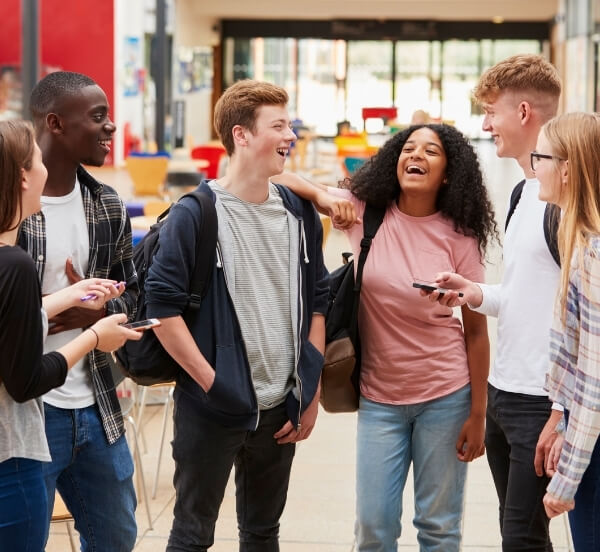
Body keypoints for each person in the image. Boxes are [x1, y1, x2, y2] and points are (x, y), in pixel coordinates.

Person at [275, 122, 497, 551]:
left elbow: (476, 332)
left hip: (446, 396)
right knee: (374, 529)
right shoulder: (365, 212)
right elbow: (275, 175)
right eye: (408, 148)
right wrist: (324, 197)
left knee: (438, 527)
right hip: (379, 399)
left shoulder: (461, 236)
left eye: (431, 151)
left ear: (448, 173)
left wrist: (478, 412)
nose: (416, 156)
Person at [144, 79, 328, 551]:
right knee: (191, 535)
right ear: (241, 135)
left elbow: (319, 299)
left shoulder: (298, 212)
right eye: (279, 125)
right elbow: (161, 309)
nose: (291, 135)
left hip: (280, 409)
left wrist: (310, 388)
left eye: (291, 124)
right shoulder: (195, 213)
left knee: (263, 533)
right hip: (212, 409)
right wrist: (212, 385)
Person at [427, 54, 563, 551]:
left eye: (491, 111)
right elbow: (529, 296)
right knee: (520, 538)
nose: (485, 124)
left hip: (542, 398)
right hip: (505, 391)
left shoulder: (565, 202)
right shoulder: (526, 191)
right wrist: (475, 293)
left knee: (523, 540)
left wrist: (563, 411)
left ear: (524, 112)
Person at [0, 120, 141, 552]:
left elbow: (8, 321)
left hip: (91, 408)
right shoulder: (16, 263)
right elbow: (24, 381)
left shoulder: (105, 202)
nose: (110, 125)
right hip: (15, 448)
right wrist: (95, 336)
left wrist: (67, 297)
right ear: (24, 175)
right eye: (37, 159)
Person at [531, 112, 600, 551]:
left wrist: (566, 480)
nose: (534, 165)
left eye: (542, 156)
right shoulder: (579, 239)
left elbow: (595, 383)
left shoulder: (593, 255)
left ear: (568, 168)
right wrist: (559, 415)